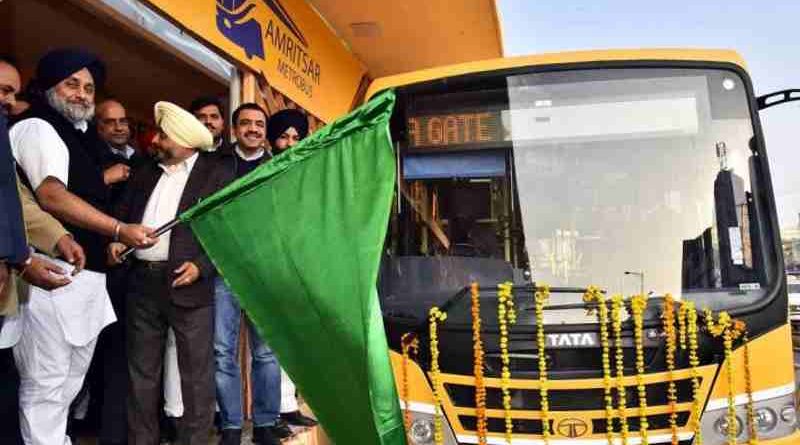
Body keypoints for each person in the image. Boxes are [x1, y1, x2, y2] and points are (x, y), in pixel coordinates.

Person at [10, 48, 155, 445]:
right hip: (48, 272)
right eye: (71, 83)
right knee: (47, 386)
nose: (81, 94)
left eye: (89, 87)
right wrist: (118, 229)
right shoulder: (37, 127)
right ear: (49, 87)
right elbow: (51, 196)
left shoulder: (80, 138)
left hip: (83, 277)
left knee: (70, 384)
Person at [108, 101, 232, 444]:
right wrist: (117, 239)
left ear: (183, 141)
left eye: (163, 135)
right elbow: (123, 211)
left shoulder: (217, 172)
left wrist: (202, 267)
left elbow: (229, 232)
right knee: (141, 374)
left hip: (188, 282)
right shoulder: (147, 169)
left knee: (196, 378)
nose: (156, 140)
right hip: (142, 282)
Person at [0, 54, 86, 445]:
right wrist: (22, 259)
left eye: (12, 93)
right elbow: (47, 196)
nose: (8, 101)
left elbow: (14, 200)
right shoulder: (34, 128)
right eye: (2, 90)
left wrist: (55, 237)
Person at [214, 103, 289, 445]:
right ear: (234, 129)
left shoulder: (280, 168)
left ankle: (264, 423)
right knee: (221, 351)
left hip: (264, 272)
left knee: (266, 353)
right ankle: (230, 425)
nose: (254, 129)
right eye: (246, 123)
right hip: (222, 269)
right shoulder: (214, 166)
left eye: (259, 124)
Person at [265, 108, 317, 428]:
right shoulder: (263, 173)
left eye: (296, 137)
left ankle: (289, 404)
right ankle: (272, 412)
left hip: (301, 265)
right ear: (273, 141)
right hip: (271, 265)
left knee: (296, 340)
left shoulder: (309, 174)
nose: (290, 143)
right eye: (283, 137)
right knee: (270, 344)